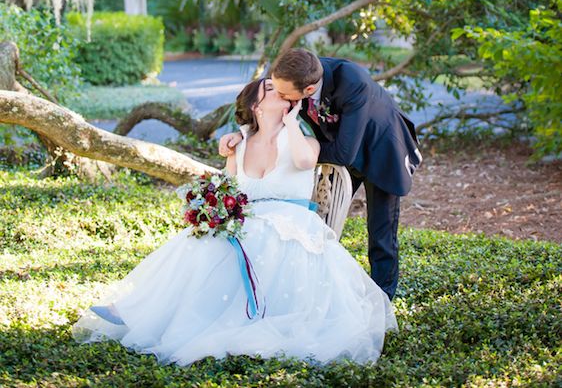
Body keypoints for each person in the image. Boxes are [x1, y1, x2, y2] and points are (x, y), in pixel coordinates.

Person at [71, 77, 397, 367]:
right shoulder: (238, 145)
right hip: (248, 218)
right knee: (198, 238)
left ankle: (226, 320)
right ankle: (137, 311)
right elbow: (229, 190)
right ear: (256, 105)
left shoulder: (302, 139)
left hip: (291, 222)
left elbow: (304, 161)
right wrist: (215, 209)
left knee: (255, 236)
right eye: (271, 88)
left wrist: (294, 121)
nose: (282, 90)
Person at [219, 49, 422, 300]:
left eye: (284, 94)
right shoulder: (293, 74)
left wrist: (302, 149)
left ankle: (382, 300)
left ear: (308, 90)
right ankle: (313, 287)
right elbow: (263, 118)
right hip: (339, 144)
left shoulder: (352, 81)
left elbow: (343, 154)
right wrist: (244, 138)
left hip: (382, 148)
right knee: (320, 220)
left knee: (380, 232)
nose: (282, 98)